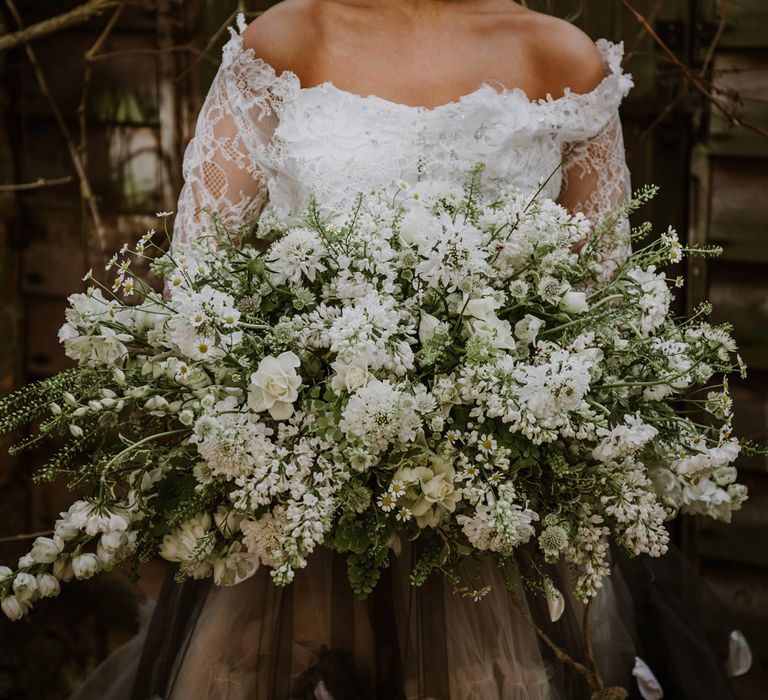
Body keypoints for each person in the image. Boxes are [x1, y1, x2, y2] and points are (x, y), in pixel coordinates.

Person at [70, 1, 750, 698]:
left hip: (500, 529)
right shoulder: (286, 41)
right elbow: (199, 288)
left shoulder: (562, 59)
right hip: (303, 528)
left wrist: (492, 409)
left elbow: (605, 316)